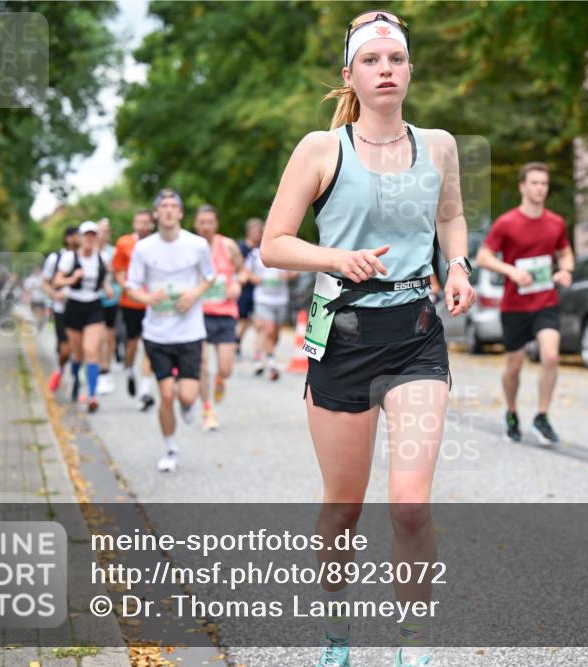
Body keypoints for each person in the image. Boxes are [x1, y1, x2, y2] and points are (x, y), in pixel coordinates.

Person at [260, 10, 475, 667]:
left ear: (410, 69)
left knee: (410, 505)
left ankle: (412, 644)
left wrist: (457, 263)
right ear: (349, 73)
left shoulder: (438, 145)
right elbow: (274, 244)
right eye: (373, 60)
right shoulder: (322, 150)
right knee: (343, 510)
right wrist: (335, 260)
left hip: (414, 334)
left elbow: (452, 215)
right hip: (345, 337)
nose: (386, 70)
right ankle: (336, 637)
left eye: (397, 59)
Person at [476, 162, 574, 445]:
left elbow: (566, 253)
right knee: (514, 367)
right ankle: (511, 412)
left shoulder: (555, 222)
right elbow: (484, 257)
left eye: (544, 183)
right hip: (515, 306)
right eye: (534, 183)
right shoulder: (507, 223)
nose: (539, 188)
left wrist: (566, 270)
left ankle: (541, 417)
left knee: (551, 356)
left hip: (545, 302)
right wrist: (511, 271)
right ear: (522, 186)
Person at [126, 188, 215, 472]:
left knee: (186, 396)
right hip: (157, 332)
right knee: (165, 394)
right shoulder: (143, 248)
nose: (167, 210)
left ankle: (188, 407)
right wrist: (146, 298)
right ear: (156, 214)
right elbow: (131, 285)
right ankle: (170, 448)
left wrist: (193, 294)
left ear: (179, 213)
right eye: (162, 205)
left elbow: (210, 276)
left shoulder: (198, 245)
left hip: (189, 332)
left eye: (172, 205)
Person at [53, 221, 114, 413]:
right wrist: (72, 279)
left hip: (94, 306)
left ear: (97, 238)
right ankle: (74, 381)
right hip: (74, 306)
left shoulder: (102, 257)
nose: (89, 239)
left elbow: (103, 278)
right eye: (86, 235)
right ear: (79, 238)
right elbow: (57, 281)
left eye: (93, 235)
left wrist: (107, 287)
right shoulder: (70, 258)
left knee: (91, 350)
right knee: (77, 354)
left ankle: (92, 395)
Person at [193, 204, 244, 431]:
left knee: (226, 368)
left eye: (209, 222)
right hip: (198, 314)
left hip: (225, 314)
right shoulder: (190, 247)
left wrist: (238, 284)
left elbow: (243, 270)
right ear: (196, 224)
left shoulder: (228, 245)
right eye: (201, 222)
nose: (205, 227)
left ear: (216, 224)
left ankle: (220, 380)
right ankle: (207, 410)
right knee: (201, 365)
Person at [112, 209, 157, 411]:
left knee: (149, 343)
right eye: (139, 221)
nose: (143, 225)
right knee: (132, 343)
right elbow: (117, 271)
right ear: (134, 223)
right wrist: (128, 288)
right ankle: (129, 370)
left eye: (146, 222)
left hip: (153, 301)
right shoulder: (124, 243)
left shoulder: (158, 243)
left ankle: (145, 390)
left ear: (152, 224)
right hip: (131, 302)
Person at [242, 239, 297, 381]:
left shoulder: (284, 253)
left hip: (280, 300)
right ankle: (272, 365)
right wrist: (257, 279)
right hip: (263, 299)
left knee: (275, 335)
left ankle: (259, 354)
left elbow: (295, 272)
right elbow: (246, 273)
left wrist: (287, 276)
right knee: (268, 329)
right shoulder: (255, 255)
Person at [43, 226, 80, 394]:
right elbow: (45, 282)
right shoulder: (55, 258)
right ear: (67, 238)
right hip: (61, 309)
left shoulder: (85, 257)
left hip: (80, 308)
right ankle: (60, 370)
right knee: (65, 349)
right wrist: (54, 295)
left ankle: (75, 379)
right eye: (74, 236)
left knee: (80, 347)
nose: (78, 239)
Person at [97, 218, 121, 395]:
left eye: (105, 231)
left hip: (110, 299)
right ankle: (97, 366)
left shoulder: (113, 252)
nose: (102, 234)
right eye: (99, 231)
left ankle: (105, 368)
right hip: (91, 299)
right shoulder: (87, 251)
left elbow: (117, 274)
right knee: (98, 336)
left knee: (108, 335)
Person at [235, 218, 264, 354]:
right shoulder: (240, 248)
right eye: (255, 231)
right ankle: (237, 339)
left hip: (260, 289)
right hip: (245, 289)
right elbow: (238, 267)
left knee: (258, 321)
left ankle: (257, 350)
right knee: (244, 319)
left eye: (260, 231)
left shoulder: (262, 248)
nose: (258, 234)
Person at [22, 265, 49, 330]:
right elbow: (26, 289)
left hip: (42, 299)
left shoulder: (43, 278)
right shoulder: (30, 279)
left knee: (40, 312)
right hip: (34, 298)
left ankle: (39, 322)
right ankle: (38, 322)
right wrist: (25, 297)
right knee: (36, 312)